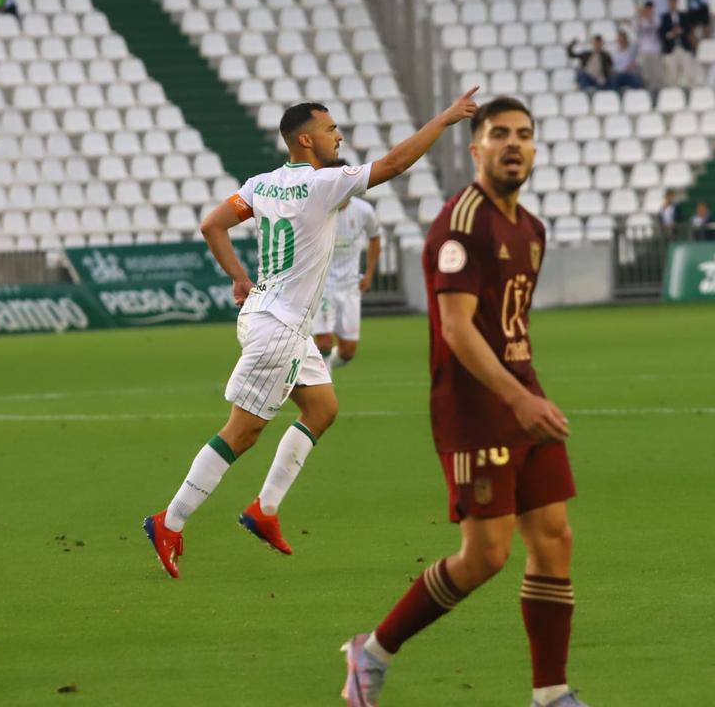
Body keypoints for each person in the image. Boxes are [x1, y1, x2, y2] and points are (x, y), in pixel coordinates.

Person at [142, 90, 480, 579]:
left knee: (322, 408)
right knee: (243, 431)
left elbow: (212, 224)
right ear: (306, 140)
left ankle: (264, 510)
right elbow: (393, 164)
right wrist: (444, 119)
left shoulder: (261, 185)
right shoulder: (324, 184)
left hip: (272, 317)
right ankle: (169, 522)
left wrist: (240, 278)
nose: (338, 135)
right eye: (330, 129)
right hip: (279, 328)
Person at [341, 96, 585, 707]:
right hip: (475, 409)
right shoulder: (461, 222)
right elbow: (456, 328)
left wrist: (528, 396)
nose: (513, 143)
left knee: (554, 537)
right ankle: (371, 653)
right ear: (476, 149)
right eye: (499, 133)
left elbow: (510, 327)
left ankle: (551, 694)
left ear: (534, 148)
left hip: (522, 396)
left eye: (523, 134)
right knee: (485, 556)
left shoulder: (532, 229)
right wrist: (518, 401)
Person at [313, 162, 381, 372]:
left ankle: (320, 370)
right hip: (322, 286)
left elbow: (375, 237)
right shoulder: (317, 209)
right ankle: (322, 382)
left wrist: (369, 273)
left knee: (348, 351)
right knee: (324, 343)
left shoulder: (364, 210)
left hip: (350, 286)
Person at [659, 0, 697, 89]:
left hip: (683, 47)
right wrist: (671, 34)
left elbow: (688, 29)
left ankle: (690, 91)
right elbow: (662, 33)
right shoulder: (664, 17)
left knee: (688, 72)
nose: (672, 4)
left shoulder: (683, 15)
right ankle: (673, 93)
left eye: (674, 2)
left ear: (676, 3)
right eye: (670, 3)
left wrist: (680, 30)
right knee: (672, 75)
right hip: (671, 49)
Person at [633, 1, 665, 92]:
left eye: (650, 9)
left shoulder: (656, 17)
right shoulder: (638, 18)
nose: (649, 10)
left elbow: (656, 26)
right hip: (644, 49)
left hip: (655, 49)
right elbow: (637, 28)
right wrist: (640, 16)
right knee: (646, 73)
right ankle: (648, 90)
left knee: (656, 72)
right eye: (647, 8)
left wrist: (648, 16)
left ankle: (657, 90)